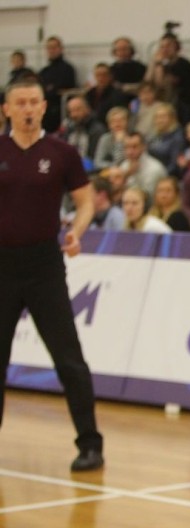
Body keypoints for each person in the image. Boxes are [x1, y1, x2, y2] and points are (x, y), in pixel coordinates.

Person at [0, 78, 104, 471]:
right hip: (1, 267)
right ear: (7, 109)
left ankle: (90, 444)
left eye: (33, 102)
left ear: (44, 107)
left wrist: (76, 231)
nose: (27, 108)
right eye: (19, 102)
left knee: (69, 359)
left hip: (44, 265)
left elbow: (85, 202)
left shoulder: (62, 152)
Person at [38, 36, 78, 133]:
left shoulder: (68, 69)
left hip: (60, 112)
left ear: (61, 49)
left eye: (54, 47)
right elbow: (41, 88)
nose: (51, 51)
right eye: (49, 48)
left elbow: (65, 89)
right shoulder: (44, 71)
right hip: (45, 111)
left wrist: (51, 90)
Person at [117, 131, 168, 197]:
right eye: (127, 147)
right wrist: (126, 176)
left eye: (134, 147)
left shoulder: (155, 168)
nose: (130, 152)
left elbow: (148, 197)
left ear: (144, 147)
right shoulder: (123, 166)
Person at [59, 96, 107, 163]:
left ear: (87, 109)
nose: (73, 115)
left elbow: (95, 158)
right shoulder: (69, 129)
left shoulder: (97, 130)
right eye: (71, 111)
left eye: (77, 110)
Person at [93, 106, 131, 171]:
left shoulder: (132, 138)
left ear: (127, 122)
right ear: (109, 125)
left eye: (121, 120)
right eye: (113, 121)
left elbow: (120, 163)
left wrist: (119, 143)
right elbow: (97, 163)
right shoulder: (105, 138)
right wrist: (113, 166)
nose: (117, 124)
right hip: (111, 172)